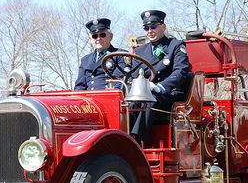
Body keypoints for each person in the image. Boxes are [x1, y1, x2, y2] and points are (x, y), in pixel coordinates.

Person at [130, 10, 190, 143]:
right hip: (146, 92)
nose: (149, 31)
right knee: (130, 102)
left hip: (170, 94)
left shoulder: (175, 45)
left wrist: (160, 87)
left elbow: (181, 71)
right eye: (146, 28)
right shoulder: (140, 51)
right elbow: (134, 75)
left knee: (151, 100)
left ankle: (137, 141)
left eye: (153, 26)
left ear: (163, 27)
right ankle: (125, 136)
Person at [74, 18, 128, 90]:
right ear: (90, 39)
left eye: (102, 35)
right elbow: (79, 87)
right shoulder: (85, 60)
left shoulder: (120, 55)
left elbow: (119, 81)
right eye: (94, 36)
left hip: (109, 97)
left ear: (110, 37)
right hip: (88, 99)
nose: (98, 38)